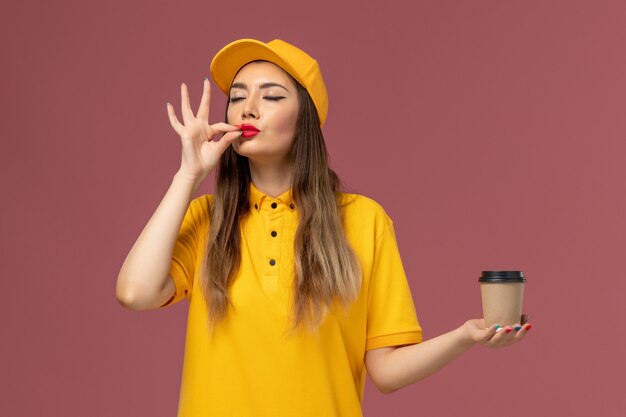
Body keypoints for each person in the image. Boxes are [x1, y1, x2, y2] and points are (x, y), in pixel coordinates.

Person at [116, 38, 532, 417]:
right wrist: (187, 175)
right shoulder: (207, 218)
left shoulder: (364, 220)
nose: (247, 109)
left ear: (306, 119)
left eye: (272, 96)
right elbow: (135, 292)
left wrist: (465, 336)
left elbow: (385, 371)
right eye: (237, 97)